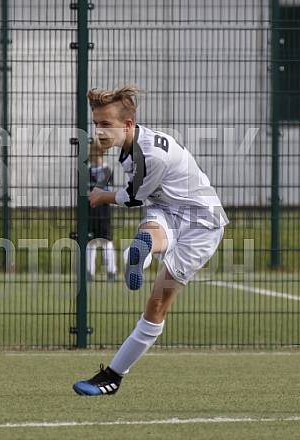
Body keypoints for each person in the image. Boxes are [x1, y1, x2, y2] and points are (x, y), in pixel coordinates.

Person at [73, 85, 228, 395]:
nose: (99, 131)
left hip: (201, 225)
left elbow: (132, 198)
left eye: (106, 124)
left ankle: (113, 376)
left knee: (157, 305)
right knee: (149, 231)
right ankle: (139, 254)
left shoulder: (150, 155)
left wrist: (102, 195)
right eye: (96, 123)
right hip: (167, 208)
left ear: (128, 124)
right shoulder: (132, 145)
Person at [87, 139, 117, 282]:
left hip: (104, 211)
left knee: (106, 240)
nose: (92, 155)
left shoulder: (107, 171)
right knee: (90, 241)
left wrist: (98, 195)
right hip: (91, 211)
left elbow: (108, 192)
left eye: (95, 152)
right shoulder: (87, 171)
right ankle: (89, 272)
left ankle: (111, 271)